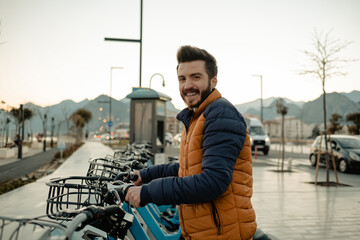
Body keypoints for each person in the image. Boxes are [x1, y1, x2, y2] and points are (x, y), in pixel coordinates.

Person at [125, 45, 256, 239]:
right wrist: (144, 175)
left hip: (222, 234)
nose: (187, 85)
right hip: (204, 232)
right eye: (182, 79)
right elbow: (187, 168)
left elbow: (213, 182)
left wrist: (147, 193)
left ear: (213, 81)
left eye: (196, 77)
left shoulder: (220, 114)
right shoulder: (198, 116)